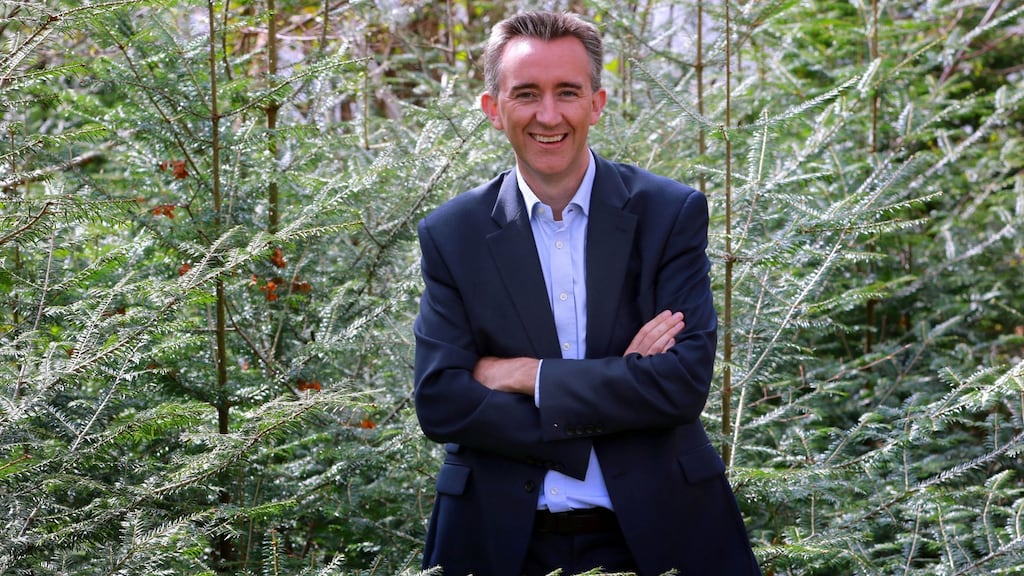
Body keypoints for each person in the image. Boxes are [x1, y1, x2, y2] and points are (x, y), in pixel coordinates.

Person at [412, 10, 760, 576]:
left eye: (567, 92)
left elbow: (680, 384)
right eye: (527, 93)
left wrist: (529, 377)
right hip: (499, 541)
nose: (548, 115)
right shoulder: (452, 234)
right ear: (493, 109)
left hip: (662, 531)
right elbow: (442, 401)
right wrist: (620, 385)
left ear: (596, 104)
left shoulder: (669, 214)